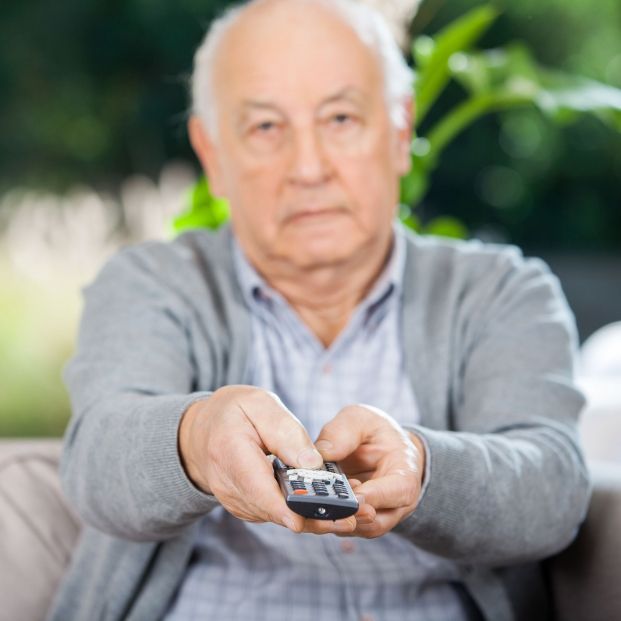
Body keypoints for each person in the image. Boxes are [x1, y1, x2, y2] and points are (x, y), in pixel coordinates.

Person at [47, 0, 590, 619]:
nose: (308, 169)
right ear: (213, 155)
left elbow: (552, 490)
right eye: (266, 128)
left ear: (399, 132)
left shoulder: (503, 292)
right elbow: (95, 461)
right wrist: (194, 438)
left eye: (339, 118)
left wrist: (425, 471)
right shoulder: (150, 283)